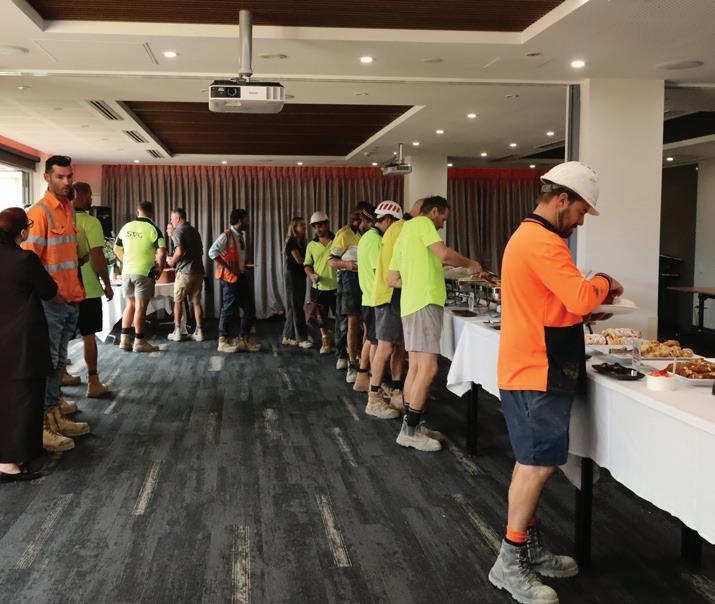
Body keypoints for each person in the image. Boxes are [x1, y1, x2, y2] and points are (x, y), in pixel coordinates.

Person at [488, 162, 622, 604]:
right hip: (536, 368)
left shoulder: (530, 237)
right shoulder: (543, 241)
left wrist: (583, 311)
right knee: (536, 466)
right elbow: (581, 294)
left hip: (533, 363)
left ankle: (527, 546)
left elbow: (552, 304)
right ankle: (509, 562)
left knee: (533, 461)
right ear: (562, 199)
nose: (581, 220)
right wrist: (604, 282)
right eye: (581, 211)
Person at [388, 195, 484, 452]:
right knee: (429, 369)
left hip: (410, 305)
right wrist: (470, 264)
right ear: (433, 212)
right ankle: (409, 432)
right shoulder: (422, 224)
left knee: (416, 368)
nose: (443, 224)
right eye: (443, 218)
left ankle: (412, 425)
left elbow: (391, 279)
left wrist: (419, 279)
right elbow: (444, 253)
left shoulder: (404, 232)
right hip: (425, 303)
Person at [22, 155, 91, 449]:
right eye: (60, 177)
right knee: (48, 364)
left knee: (59, 363)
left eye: (69, 177)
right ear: (47, 177)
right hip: (51, 302)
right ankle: (43, 425)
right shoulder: (39, 213)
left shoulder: (68, 209)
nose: (66, 182)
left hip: (70, 299)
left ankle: (54, 414)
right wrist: (52, 294)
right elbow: (29, 262)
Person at [0, 208, 62, 478]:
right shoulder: (24, 259)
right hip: (22, 339)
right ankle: (10, 463)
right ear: (22, 231)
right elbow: (49, 290)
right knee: (24, 398)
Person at [366, 198, 423, 417]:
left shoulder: (399, 229)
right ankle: (374, 398)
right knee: (385, 347)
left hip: (395, 295)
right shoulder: (401, 229)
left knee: (399, 346)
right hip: (389, 295)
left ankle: (397, 392)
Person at [356, 201, 403, 417]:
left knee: (376, 343)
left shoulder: (367, 237)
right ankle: (374, 393)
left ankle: (372, 382)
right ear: (388, 220)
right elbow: (381, 272)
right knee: (380, 345)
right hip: (382, 297)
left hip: (373, 296)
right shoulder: (377, 240)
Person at [72, 182, 113, 398]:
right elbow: (97, 256)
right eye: (89, 195)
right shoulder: (91, 221)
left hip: (64, 288)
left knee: (61, 339)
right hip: (87, 288)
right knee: (89, 335)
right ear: (79, 196)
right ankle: (93, 382)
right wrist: (107, 284)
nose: (91, 200)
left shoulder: (61, 220)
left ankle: (62, 378)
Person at [329, 202, 374, 383]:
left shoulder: (372, 235)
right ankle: (350, 362)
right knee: (351, 323)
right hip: (349, 280)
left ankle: (365, 362)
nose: (369, 224)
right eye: (366, 220)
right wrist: (347, 264)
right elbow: (331, 261)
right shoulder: (344, 234)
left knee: (368, 323)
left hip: (368, 279)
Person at [114, 201, 167, 353]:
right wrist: (160, 268)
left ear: (137, 213)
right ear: (152, 213)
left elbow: (116, 248)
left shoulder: (126, 227)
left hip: (126, 272)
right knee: (141, 307)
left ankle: (124, 340)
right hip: (144, 272)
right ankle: (139, 342)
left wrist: (126, 262)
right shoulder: (153, 229)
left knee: (130, 305)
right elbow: (162, 251)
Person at [209, 208, 261, 353]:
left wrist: (243, 265)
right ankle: (222, 341)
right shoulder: (226, 235)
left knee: (249, 308)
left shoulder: (239, 236)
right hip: (230, 278)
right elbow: (212, 252)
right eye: (246, 219)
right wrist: (229, 267)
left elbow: (235, 255)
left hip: (240, 276)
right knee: (228, 309)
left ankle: (244, 339)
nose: (248, 222)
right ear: (239, 220)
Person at [165, 208, 206, 342]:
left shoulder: (178, 231)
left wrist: (171, 261)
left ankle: (177, 331)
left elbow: (179, 252)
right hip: (198, 271)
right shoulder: (194, 231)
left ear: (178, 219)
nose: (171, 221)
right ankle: (199, 332)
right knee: (196, 302)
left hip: (185, 272)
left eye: (172, 219)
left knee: (178, 301)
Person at [304, 211, 337, 354]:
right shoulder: (311, 245)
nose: (318, 229)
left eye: (320, 225)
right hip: (318, 287)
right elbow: (307, 265)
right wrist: (311, 275)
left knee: (341, 317)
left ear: (327, 224)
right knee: (320, 318)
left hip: (337, 287)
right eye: (315, 226)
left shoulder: (338, 241)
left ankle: (343, 344)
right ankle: (326, 341)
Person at [282, 216, 311, 349]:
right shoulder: (292, 241)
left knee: (295, 306)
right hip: (293, 276)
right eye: (301, 225)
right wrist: (311, 263)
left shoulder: (302, 242)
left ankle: (287, 336)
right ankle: (301, 338)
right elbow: (300, 260)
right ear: (295, 228)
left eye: (304, 225)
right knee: (297, 307)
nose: (304, 227)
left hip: (300, 276)